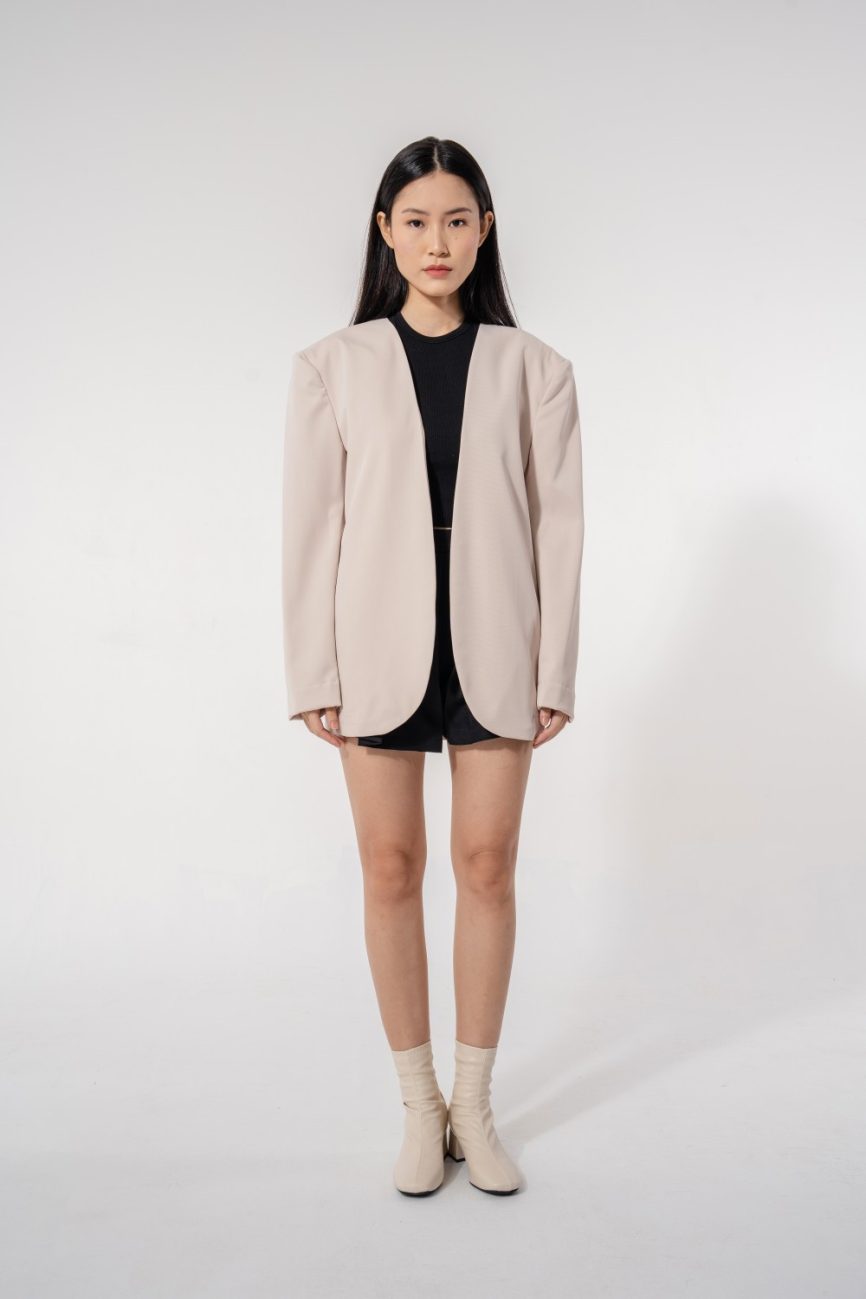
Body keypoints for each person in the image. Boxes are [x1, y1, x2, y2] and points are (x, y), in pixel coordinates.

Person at [281, 136, 584, 1196]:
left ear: (484, 230)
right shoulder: (332, 365)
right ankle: (419, 1110)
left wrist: (555, 668)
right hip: (375, 641)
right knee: (390, 868)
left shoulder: (535, 369)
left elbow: (559, 529)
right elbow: (311, 526)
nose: (436, 241)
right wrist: (312, 670)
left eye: (456, 220)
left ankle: (474, 1106)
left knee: (487, 866)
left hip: (496, 638)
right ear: (385, 233)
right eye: (415, 221)